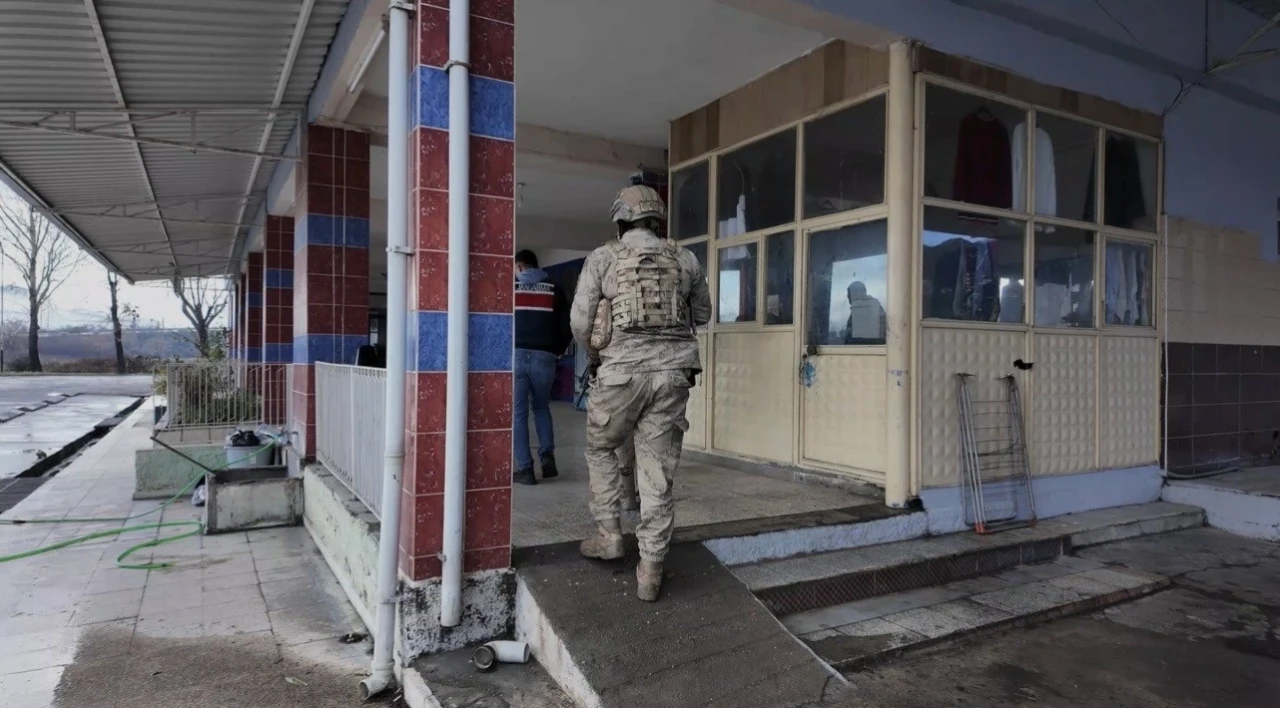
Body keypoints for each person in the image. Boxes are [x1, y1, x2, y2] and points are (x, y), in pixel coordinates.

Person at [570, 184, 712, 602]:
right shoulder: (685, 257)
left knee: (601, 447)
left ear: (620, 219)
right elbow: (703, 313)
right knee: (657, 471)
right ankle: (650, 570)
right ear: (657, 219)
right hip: (672, 376)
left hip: (620, 375)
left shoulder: (603, 258)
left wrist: (596, 353)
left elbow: (580, 323)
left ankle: (610, 534)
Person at [513, 249, 572, 486]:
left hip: (516, 355)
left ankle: (525, 469)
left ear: (519, 266)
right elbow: (567, 325)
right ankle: (547, 457)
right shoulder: (554, 289)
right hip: (545, 358)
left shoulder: (511, 289)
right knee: (541, 406)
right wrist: (557, 350)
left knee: (519, 414)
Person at [844, 281, 886, 345]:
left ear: (858, 292)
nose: (848, 296)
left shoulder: (862, 309)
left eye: (849, 293)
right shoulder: (874, 307)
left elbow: (855, 338)